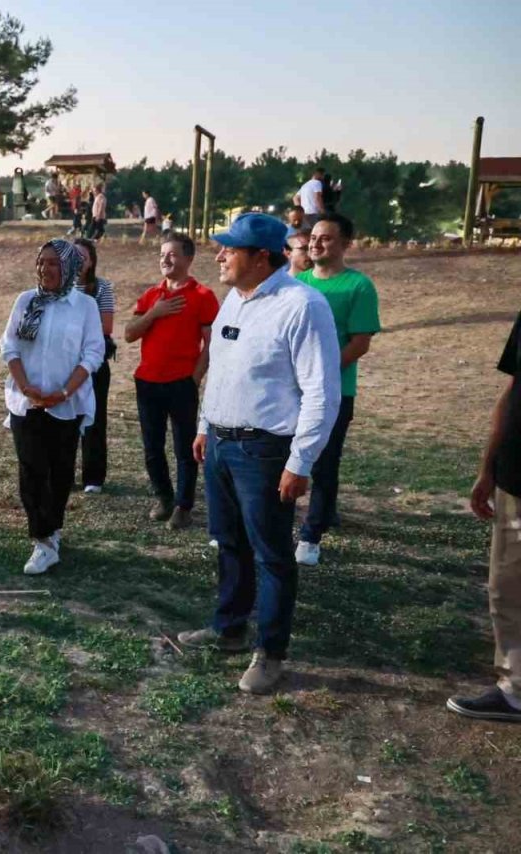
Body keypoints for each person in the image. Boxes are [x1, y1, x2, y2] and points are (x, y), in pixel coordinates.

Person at [177, 212, 340, 695]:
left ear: (261, 257)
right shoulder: (234, 299)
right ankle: (229, 627)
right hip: (223, 445)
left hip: (266, 451)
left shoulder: (301, 306)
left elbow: (321, 393)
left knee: (271, 554)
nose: (220, 255)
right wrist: (207, 425)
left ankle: (270, 652)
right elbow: (222, 370)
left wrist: (300, 460)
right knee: (229, 543)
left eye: (230, 248)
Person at [0, 239, 104, 576]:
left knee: (59, 471)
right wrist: (26, 386)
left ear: (71, 268)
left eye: (54, 264)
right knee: (31, 469)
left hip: (66, 404)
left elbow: (92, 354)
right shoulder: (26, 301)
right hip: (26, 401)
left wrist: (63, 392)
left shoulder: (85, 306)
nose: (46, 269)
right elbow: (10, 346)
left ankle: (52, 528)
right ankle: (42, 541)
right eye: (41, 262)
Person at [293, 213, 380, 566]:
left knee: (324, 465)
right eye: (313, 237)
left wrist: (321, 376)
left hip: (333, 393)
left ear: (346, 244)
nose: (316, 243)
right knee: (288, 459)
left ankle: (311, 536)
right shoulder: (298, 282)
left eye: (326, 238)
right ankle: (307, 517)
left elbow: (360, 343)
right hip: (292, 392)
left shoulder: (358, 287)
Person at [447, 310, 521, 722]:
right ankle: (516, 690)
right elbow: (513, 391)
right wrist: (488, 466)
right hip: (515, 481)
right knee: (509, 587)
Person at [124, 233, 220, 529]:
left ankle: (183, 505)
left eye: (172, 254)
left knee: (184, 448)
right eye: (162, 254)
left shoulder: (203, 296)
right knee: (152, 447)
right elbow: (129, 333)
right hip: (148, 383)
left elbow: (211, 343)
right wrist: (155, 313)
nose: (165, 259)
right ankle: (164, 498)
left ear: (189, 259)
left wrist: (194, 377)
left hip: (181, 384)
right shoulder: (151, 295)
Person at [72, 237, 115, 494]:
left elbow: (106, 326)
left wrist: (72, 331)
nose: (78, 261)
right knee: (64, 420)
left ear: (91, 262)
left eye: (83, 257)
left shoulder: (101, 288)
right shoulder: (57, 288)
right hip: (64, 363)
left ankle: (94, 477)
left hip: (93, 364)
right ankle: (64, 473)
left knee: (95, 420)